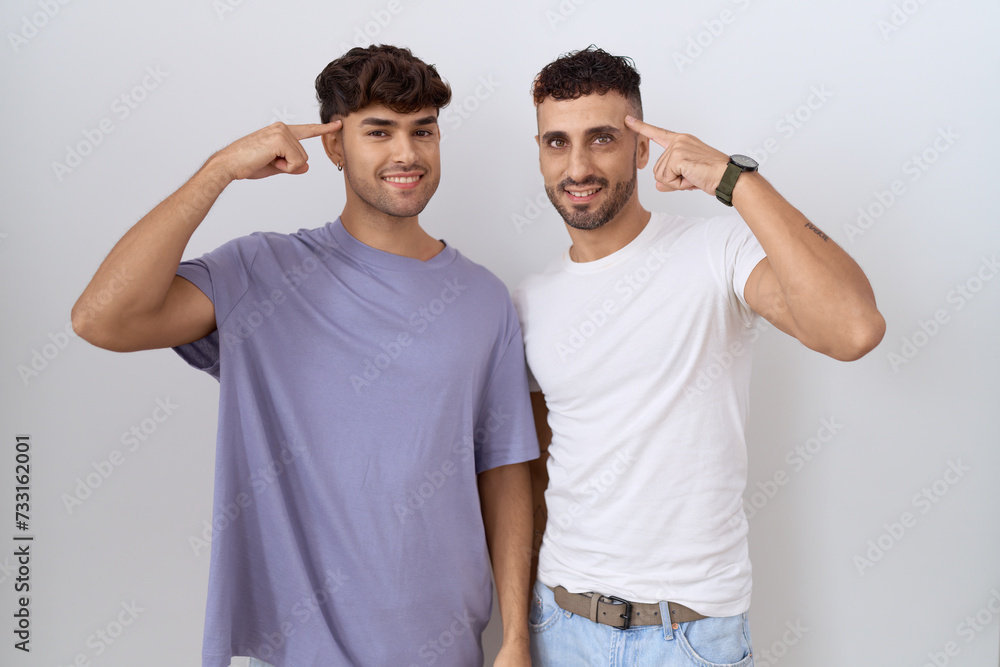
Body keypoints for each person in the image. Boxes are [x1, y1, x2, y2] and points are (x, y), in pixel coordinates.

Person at [72, 45, 537, 667]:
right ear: (335, 146)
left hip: (445, 645)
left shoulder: (483, 298)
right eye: (380, 132)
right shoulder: (261, 272)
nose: (407, 153)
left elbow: (504, 472)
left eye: (422, 131)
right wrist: (218, 171)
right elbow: (102, 318)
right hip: (301, 651)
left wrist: (514, 638)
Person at [514, 46, 885, 666]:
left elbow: (853, 329)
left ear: (640, 149)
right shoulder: (528, 301)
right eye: (557, 142)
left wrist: (734, 181)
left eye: (601, 138)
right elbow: (533, 477)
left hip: (687, 636)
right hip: (561, 624)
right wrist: (520, 634)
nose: (577, 165)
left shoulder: (718, 251)